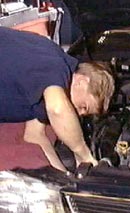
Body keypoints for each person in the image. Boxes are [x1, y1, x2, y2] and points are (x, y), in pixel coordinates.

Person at [0, 27, 115, 172]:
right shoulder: (56, 66)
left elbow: (35, 135)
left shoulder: (47, 89)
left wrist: (64, 178)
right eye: (83, 106)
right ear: (82, 82)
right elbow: (58, 110)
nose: (78, 113)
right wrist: (84, 154)